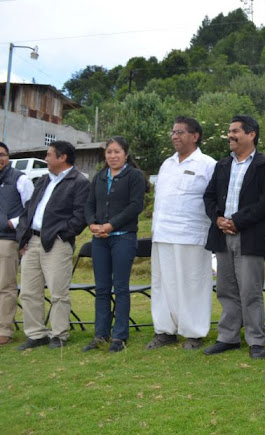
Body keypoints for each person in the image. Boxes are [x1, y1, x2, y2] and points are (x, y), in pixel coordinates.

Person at [203, 115, 265, 359]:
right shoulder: (223, 165)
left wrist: (237, 221)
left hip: (250, 237)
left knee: (250, 291)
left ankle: (256, 341)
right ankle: (228, 337)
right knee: (226, 289)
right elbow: (209, 196)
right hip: (222, 235)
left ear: (251, 134)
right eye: (229, 131)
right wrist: (218, 218)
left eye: (235, 131)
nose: (230, 135)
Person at [147, 116, 216, 350]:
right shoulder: (167, 164)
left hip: (191, 234)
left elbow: (214, 199)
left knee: (192, 283)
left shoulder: (207, 164)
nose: (174, 136)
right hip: (163, 233)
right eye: (173, 132)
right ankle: (165, 330)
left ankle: (194, 333)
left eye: (180, 132)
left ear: (195, 136)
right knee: (163, 284)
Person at [15, 141, 90, 350]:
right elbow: (28, 210)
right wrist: (24, 237)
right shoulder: (43, 180)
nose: (46, 159)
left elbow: (80, 216)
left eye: (49, 155)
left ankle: (59, 334)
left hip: (56, 242)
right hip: (33, 241)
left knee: (58, 292)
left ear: (62, 157)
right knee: (29, 292)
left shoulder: (79, 181)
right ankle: (36, 334)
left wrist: (63, 235)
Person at [83, 137, 147, 353]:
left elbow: (135, 206)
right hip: (99, 239)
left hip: (123, 238)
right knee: (101, 288)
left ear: (126, 154)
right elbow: (89, 203)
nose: (112, 156)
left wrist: (110, 225)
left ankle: (119, 336)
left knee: (120, 288)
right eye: (109, 152)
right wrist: (92, 223)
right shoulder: (100, 177)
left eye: (117, 152)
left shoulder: (134, 176)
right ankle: (100, 334)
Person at [0, 142, 34, 345]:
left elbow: (30, 209)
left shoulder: (21, 179)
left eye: (2, 155)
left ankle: (4, 329)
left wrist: (11, 223)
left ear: (8, 157)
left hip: (7, 240)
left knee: (5, 285)